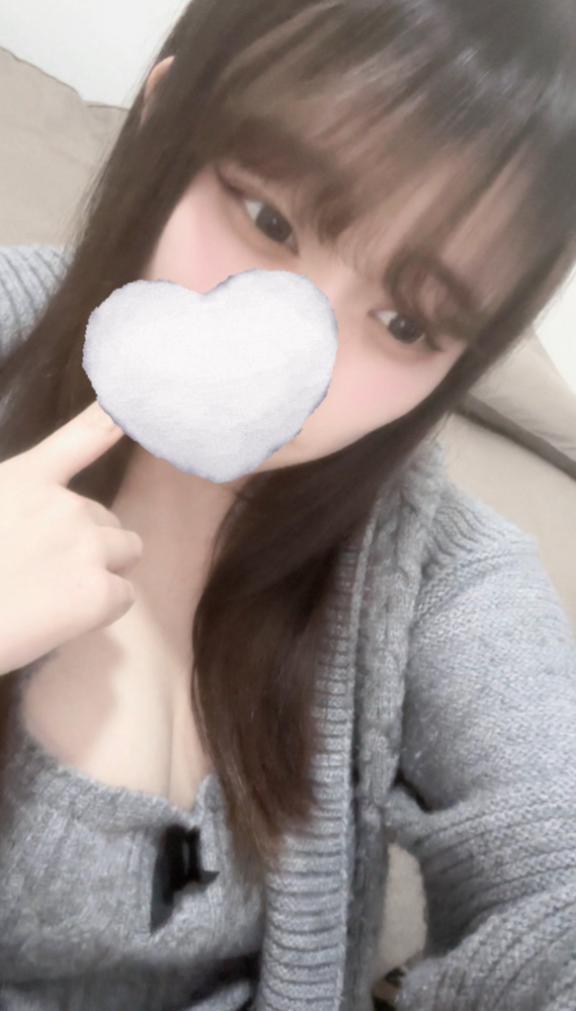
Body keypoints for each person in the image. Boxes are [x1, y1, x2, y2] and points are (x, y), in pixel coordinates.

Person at [0, 0, 575, 1008]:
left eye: (406, 323)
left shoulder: (439, 567)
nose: (297, 356)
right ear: (167, 119)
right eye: (268, 219)